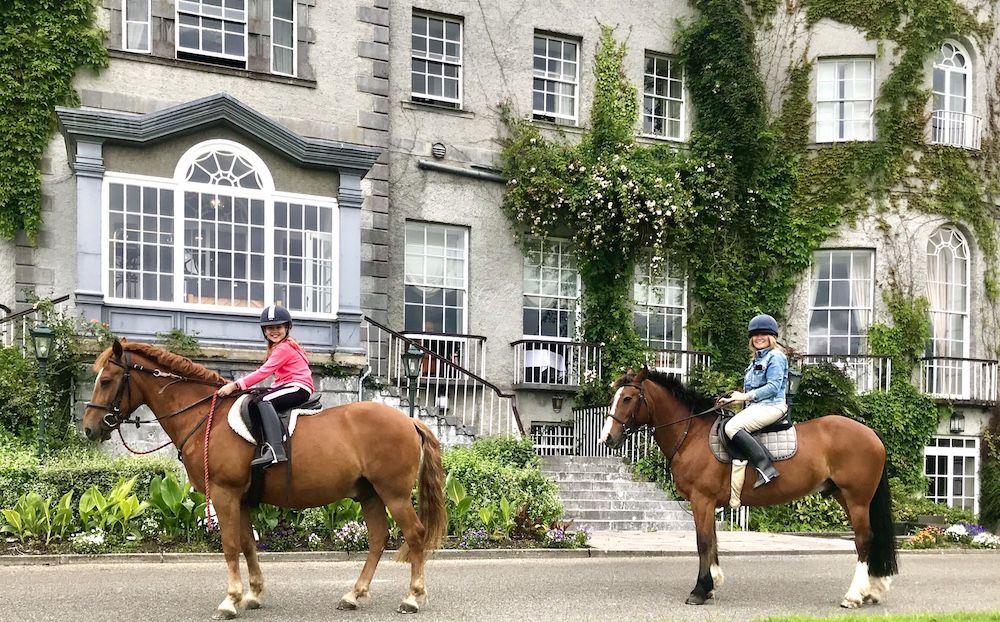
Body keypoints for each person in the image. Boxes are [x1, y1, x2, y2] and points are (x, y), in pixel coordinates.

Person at [217, 304, 314, 468]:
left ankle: (276, 450)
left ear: (287, 327)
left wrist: (235, 385)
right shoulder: (279, 347)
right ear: (264, 330)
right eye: (269, 328)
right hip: (289, 385)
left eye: (278, 327)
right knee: (258, 397)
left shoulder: (284, 348)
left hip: (298, 387)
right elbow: (280, 378)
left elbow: (264, 372)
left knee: (263, 401)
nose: (274, 331)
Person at [717, 313, 789, 488]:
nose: (758, 338)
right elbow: (753, 391)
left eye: (763, 334)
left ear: (771, 337)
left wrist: (744, 396)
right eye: (755, 335)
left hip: (773, 406)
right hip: (757, 407)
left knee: (732, 427)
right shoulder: (755, 361)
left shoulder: (775, 357)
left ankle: (766, 467)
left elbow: (773, 387)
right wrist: (733, 399)